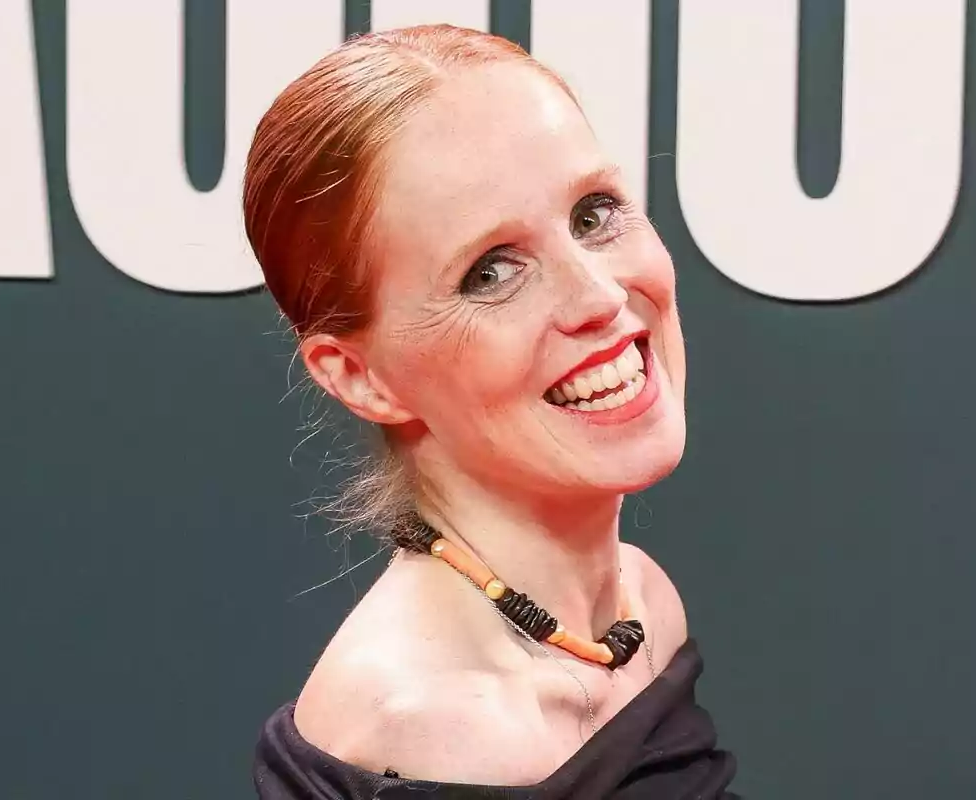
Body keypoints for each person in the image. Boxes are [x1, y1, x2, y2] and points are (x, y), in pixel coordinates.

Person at [243, 24, 739, 799]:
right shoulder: (425, 727)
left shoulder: (640, 608)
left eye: (593, 214)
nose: (601, 297)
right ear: (362, 377)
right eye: (491, 272)